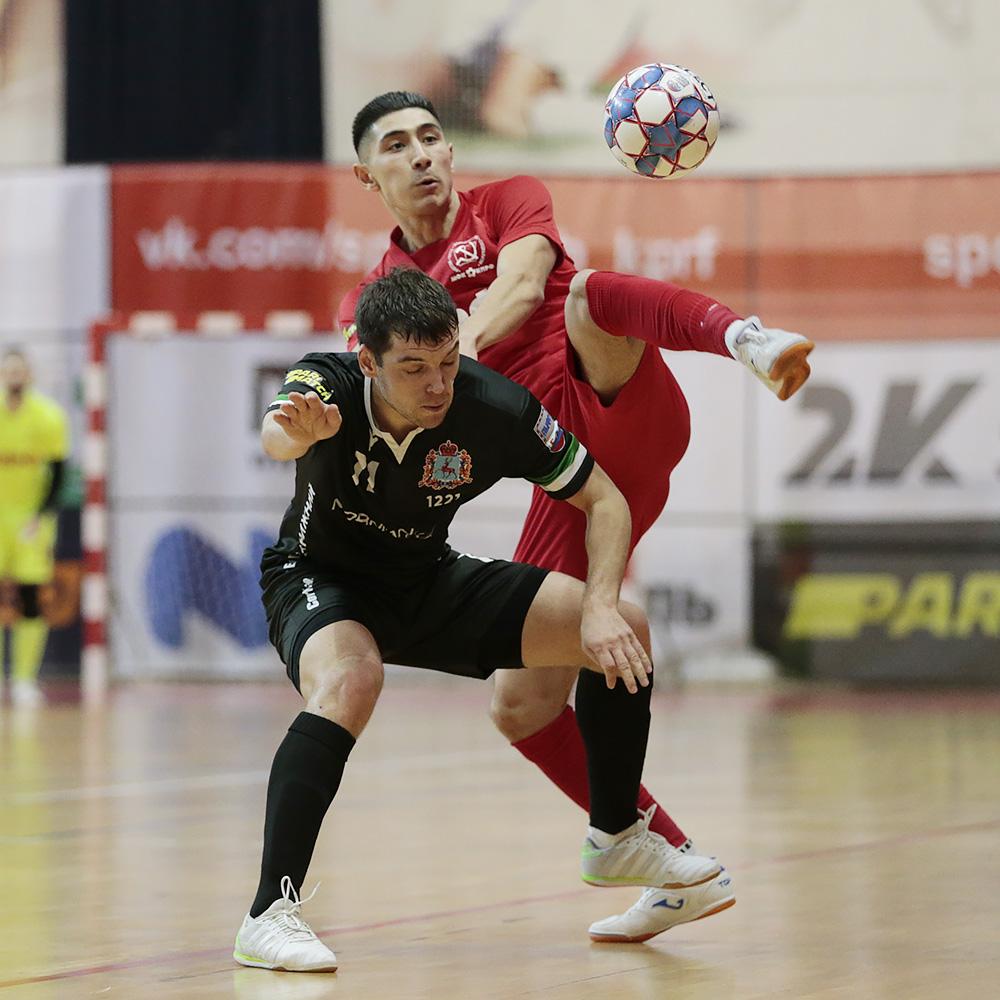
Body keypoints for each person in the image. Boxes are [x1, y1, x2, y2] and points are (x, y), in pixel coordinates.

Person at [340, 90, 812, 941]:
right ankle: (666, 862)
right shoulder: (375, 301)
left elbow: (525, 283)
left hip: (617, 405)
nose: (421, 154)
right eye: (397, 145)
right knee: (519, 705)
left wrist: (451, 355)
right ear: (367, 175)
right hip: (574, 481)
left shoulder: (509, 200)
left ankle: (745, 338)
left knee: (585, 296)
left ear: (451, 151)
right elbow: (383, 404)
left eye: (432, 137)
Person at [234, 268, 720, 973]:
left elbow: (606, 501)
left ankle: (616, 832)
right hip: (320, 578)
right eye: (413, 368)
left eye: (447, 361)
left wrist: (598, 606)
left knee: (627, 628)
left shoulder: (494, 408)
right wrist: (294, 435)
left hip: (425, 578)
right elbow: (277, 434)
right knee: (351, 681)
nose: (437, 385)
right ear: (368, 362)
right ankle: (268, 915)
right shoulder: (327, 383)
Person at [0, 347, 68, 706]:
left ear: (29, 375)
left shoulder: (48, 416)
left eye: (19, 371)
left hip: (30, 520)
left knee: (29, 598)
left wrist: (40, 516)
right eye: (8, 370)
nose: (14, 376)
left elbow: (58, 474)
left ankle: (24, 679)